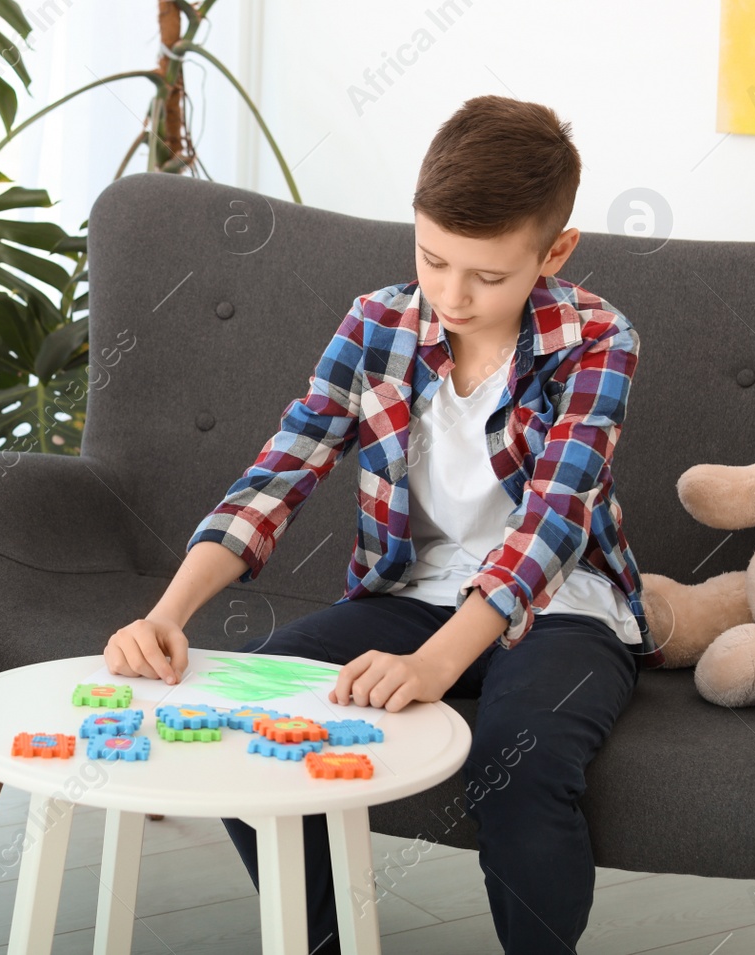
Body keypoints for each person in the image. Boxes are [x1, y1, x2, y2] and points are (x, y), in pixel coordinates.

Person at [104, 94, 665, 954]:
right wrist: (165, 614)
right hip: (414, 594)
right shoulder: (377, 324)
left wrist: (436, 664)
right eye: (433, 259)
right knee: (246, 721)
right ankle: (321, 940)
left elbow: (554, 521)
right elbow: (280, 473)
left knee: (519, 763)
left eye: (488, 275)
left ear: (554, 253)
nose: (452, 295)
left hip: (564, 605)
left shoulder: (596, 339)